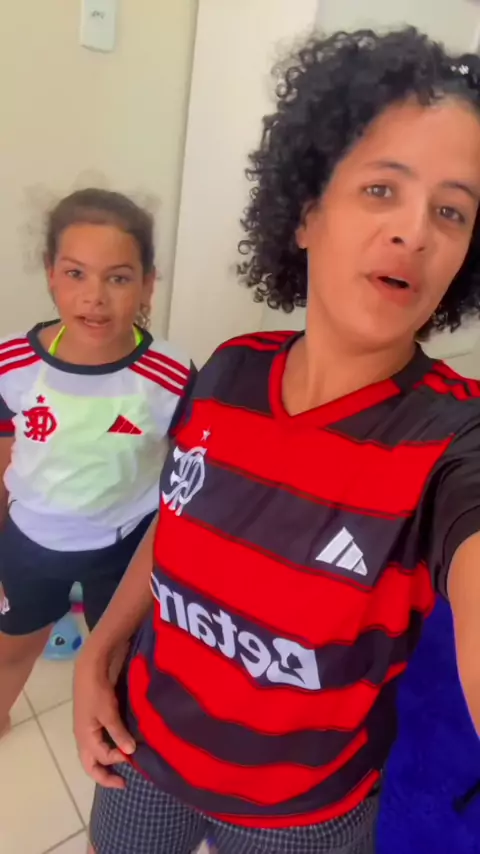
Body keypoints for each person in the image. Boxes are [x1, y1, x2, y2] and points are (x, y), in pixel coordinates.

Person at [74, 28, 480, 854]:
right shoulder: (228, 370)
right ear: (305, 214)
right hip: (143, 756)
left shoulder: (452, 442)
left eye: (451, 210)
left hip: (305, 820)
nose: (415, 232)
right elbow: (178, 518)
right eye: (381, 189)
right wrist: (101, 648)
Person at [0, 188, 194, 735]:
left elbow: (186, 475)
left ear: (148, 283)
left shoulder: (171, 376)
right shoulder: (13, 362)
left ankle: (110, 734)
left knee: (114, 656)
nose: (95, 297)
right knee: (13, 645)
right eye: (76, 274)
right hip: (31, 543)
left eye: (118, 277)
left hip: (125, 548)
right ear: (51, 274)